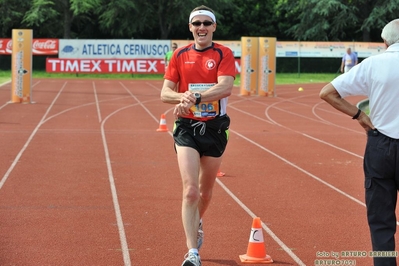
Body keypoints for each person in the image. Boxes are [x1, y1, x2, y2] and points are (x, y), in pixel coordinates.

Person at [160, 5, 235, 266]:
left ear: (214, 27)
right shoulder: (179, 54)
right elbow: (165, 93)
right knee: (190, 191)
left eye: (206, 23)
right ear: (190, 27)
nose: (201, 27)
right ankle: (192, 252)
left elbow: (225, 87)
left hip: (214, 128)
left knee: (205, 193)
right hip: (187, 129)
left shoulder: (223, 53)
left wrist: (196, 97)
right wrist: (182, 98)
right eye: (196, 23)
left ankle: (197, 221)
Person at [320, 18, 399, 266]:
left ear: (385, 42)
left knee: (381, 221)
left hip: (381, 145)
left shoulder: (374, 63)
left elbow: (327, 93)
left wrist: (359, 115)